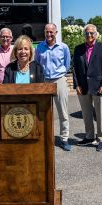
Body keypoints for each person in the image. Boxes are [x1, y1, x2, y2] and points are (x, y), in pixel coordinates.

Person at [72, 24, 102, 151]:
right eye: (87, 33)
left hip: (98, 86)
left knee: (100, 113)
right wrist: (76, 84)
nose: (89, 35)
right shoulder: (78, 49)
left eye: (92, 33)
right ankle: (89, 136)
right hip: (83, 86)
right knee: (86, 113)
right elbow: (75, 69)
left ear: (96, 34)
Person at [36, 23, 72, 151]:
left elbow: (67, 64)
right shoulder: (40, 47)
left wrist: (60, 75)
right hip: (45, 81)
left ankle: (64, 139)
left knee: (63, 111)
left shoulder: (63, 47)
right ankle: (45, 137)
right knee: (44, 111)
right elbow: (37, 65)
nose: (49, 34)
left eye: (51, 32)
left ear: (56, 33)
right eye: (47, 32)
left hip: (59, 80)